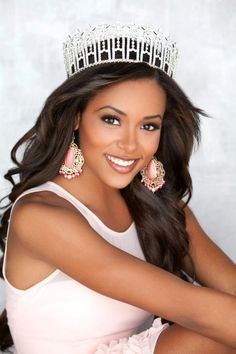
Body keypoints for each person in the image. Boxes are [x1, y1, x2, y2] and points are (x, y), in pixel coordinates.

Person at [0, 23, 235, 354]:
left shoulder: (164, 211)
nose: (129, 145)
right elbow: (196, 309)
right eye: (111, 119)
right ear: (77, 116)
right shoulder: (40, 217)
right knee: (209, 334)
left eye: (148, 126)